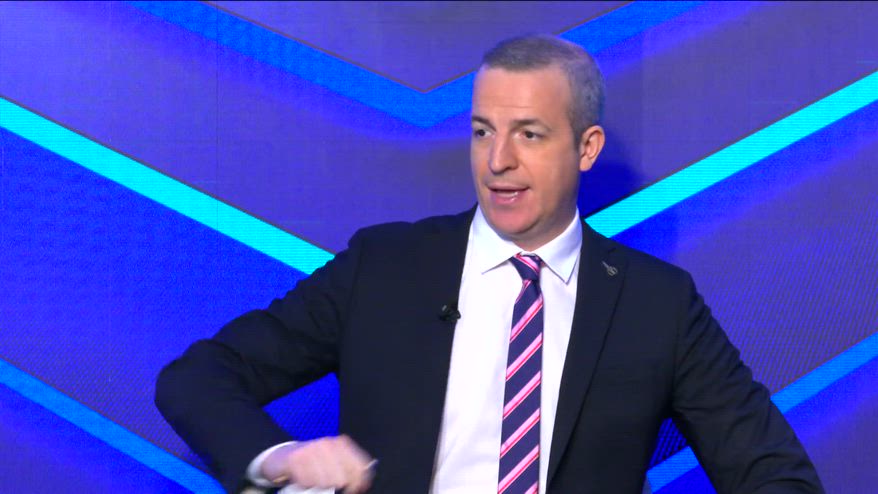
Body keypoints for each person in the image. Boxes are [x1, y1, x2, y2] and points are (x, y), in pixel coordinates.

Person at [155, 35, 824, 494]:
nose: (498, 161)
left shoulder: (658, 304)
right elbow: (198, 378)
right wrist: (282, 458)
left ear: (586, 147)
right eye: (482, 132)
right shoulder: (384, 267)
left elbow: (775, 475)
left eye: (529, 134)